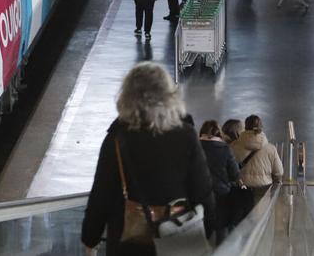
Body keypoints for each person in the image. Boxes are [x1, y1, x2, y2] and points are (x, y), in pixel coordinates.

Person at [82, 63, 214, 256]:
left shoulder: (116, 138)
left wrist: (90, 237)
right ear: (169, 96)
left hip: (127, 244)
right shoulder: (186, 135)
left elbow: (101, 195)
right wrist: (206, 230)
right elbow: (203, 192)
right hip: (177, 243)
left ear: (127, 97)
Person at [200, 120, 242, 241]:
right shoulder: (225, 149)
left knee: (202, 229)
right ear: (219, 133)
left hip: (200, 194)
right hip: (221, 195)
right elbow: (235, 174)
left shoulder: (195, 148)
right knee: (221, 227)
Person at [229, 115, 284, 202]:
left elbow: (229, 169)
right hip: (264, 190)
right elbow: (279, 172)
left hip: (241, 189)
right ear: (261, 127)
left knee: (244, 211)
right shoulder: (271, 149)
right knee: (262, 211)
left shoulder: (233, 146)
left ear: (245, 127)